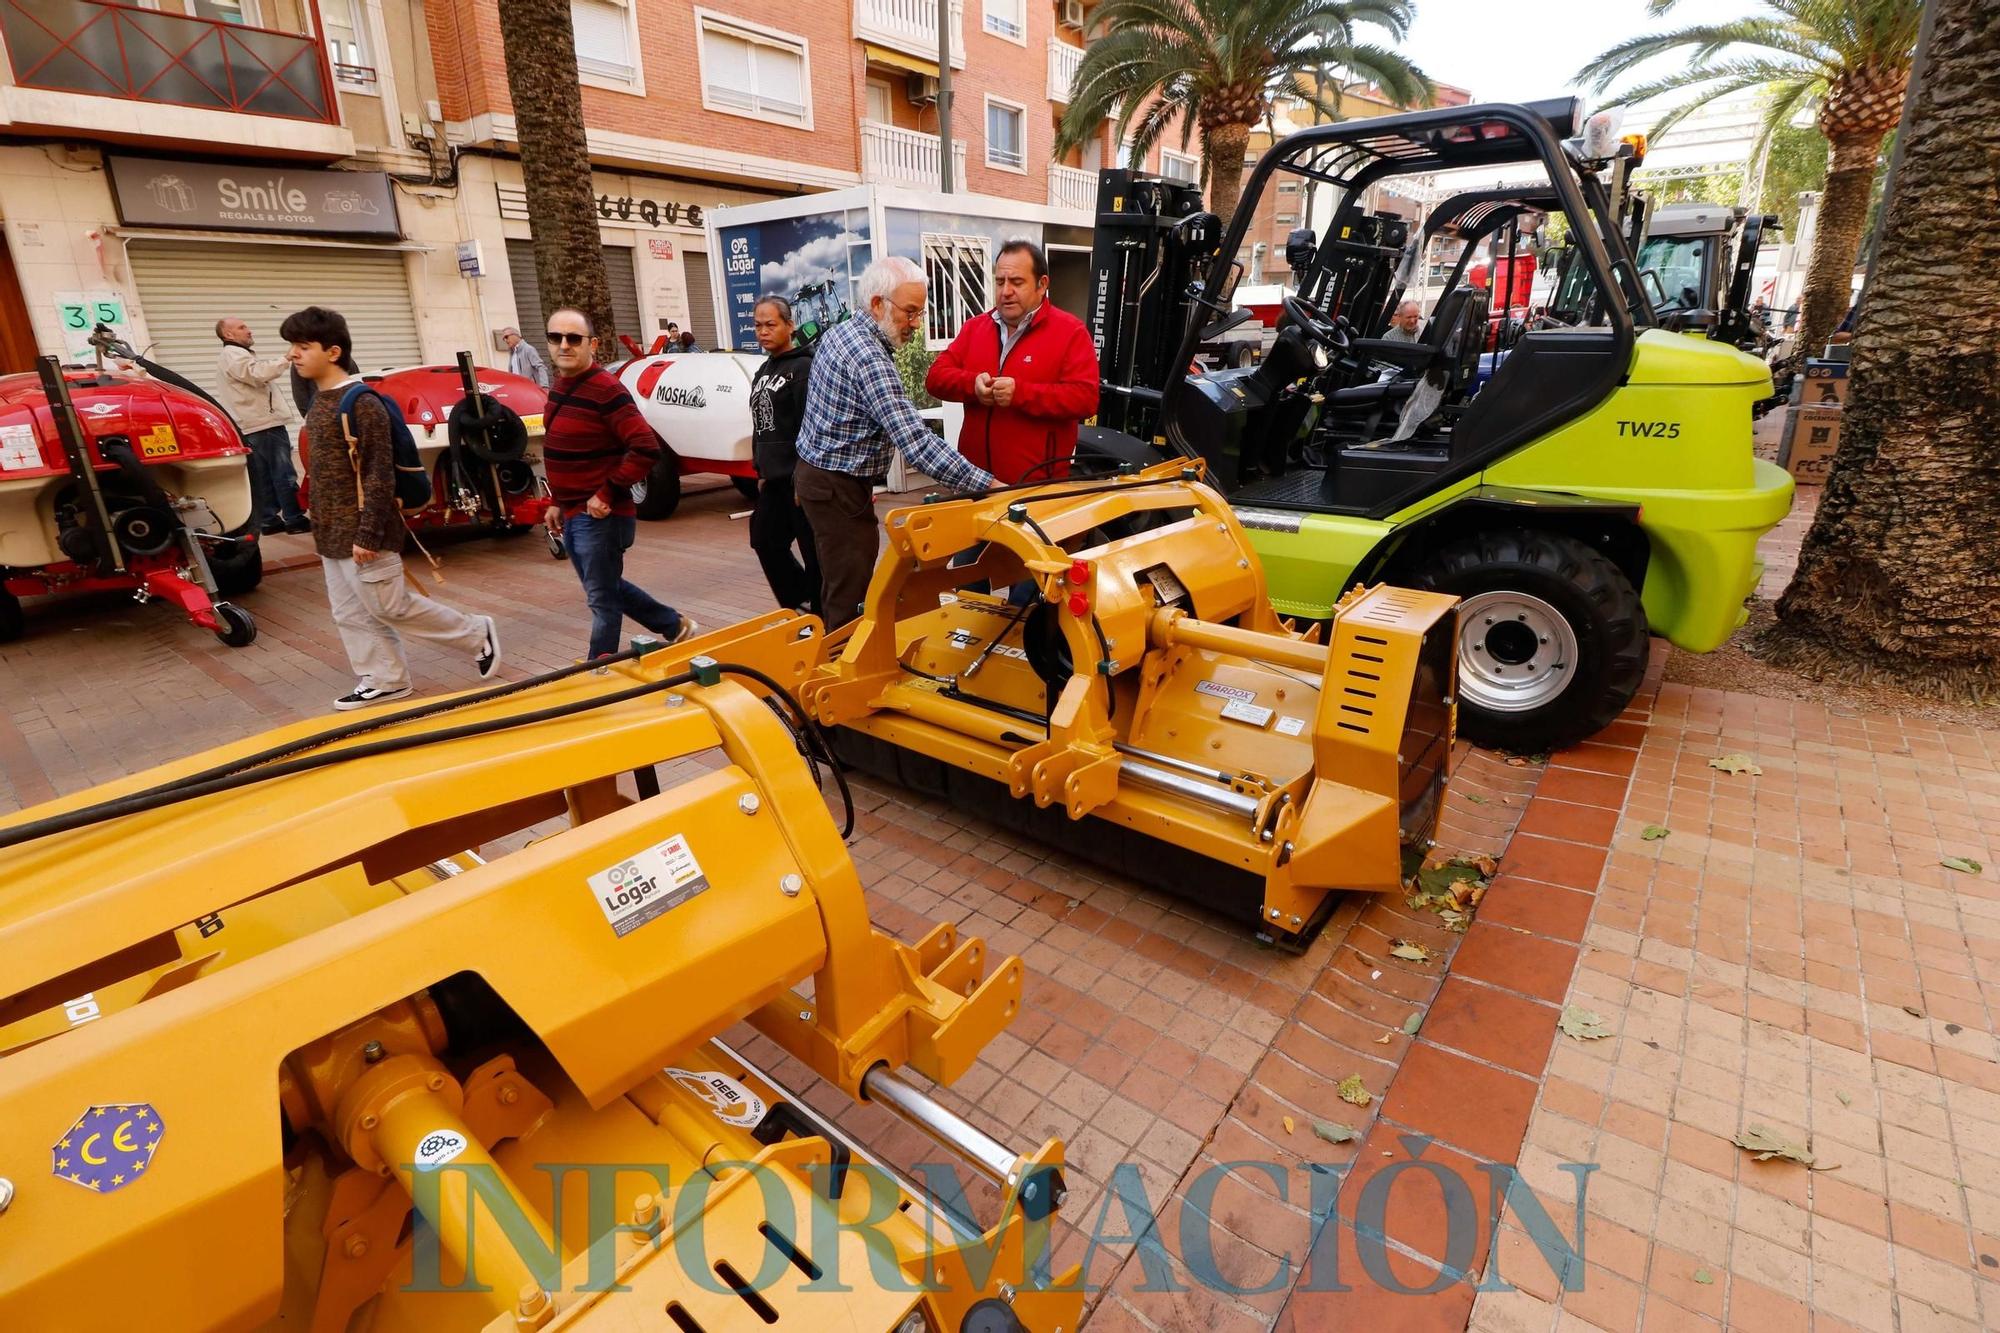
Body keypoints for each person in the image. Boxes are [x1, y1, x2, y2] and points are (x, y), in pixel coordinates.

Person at [283, 306, 499, 710]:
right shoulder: (318, 403)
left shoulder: (361, 403)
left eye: (302, 346)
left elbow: (378, 474)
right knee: (349, 614)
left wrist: (367, 532)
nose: (292, 355)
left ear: (332, 352)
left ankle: (476, 633)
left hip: (365, 532)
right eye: (291, 346)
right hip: (331, 533)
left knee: (392, 606)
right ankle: (386, 679)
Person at [795, 255, 997, 629]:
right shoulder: (868, 356)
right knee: (850, 594)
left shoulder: (843, 332)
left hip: (820, 479)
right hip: (835, 487)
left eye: (920, 313)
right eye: (910, 312)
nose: (916, 324)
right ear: (877, 304)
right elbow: (916, 443)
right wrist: (990, 485)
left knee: (838, 581)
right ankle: (842, 676)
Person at [540, 306, 697, 657]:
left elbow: (645, 447)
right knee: (604, 589)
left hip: (601, 517)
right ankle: (673, 625)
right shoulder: (560, 387)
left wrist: (608, 492)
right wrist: (556, 502)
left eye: (573, 338)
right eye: (555, 337)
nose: (564, 345)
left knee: (602, 599)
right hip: (573, 511)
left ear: (592, 344)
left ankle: (600, 671)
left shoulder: (606, 390)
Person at [924, 238, 1099, 483]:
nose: (1006, 291)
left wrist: (1020, 394)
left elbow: (1085, 399)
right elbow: (935, 378)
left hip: (1035, 486)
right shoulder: (975, 328)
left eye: (1017, 282)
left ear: (1042, 285)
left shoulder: (1071, 332)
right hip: (974, 483)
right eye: (999, 282)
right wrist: (972, 385)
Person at [746, 295, 819, 613]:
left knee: (813, 552)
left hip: (799, 481)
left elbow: (811, 426)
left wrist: (804, 476)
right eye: (758, 325)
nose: (763, 331)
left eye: (771, 324)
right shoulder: (763, 370)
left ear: (790, 326)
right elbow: (761, 425)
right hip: (773, 480)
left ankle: (823, 614)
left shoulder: (804, 367)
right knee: (764, 540)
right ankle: (800, 602)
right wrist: (760, 470)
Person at [215, 317, 310, 535]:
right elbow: (258, 374)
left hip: (252, 424)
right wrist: (286, 358)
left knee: (263, 474)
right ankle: (294, 519)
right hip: (264, 423)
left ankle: (269, 519)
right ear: (228, 335)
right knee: (283, 473)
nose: (249, 330)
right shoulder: (234, 355)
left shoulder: (232, 355)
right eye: (242, 327)